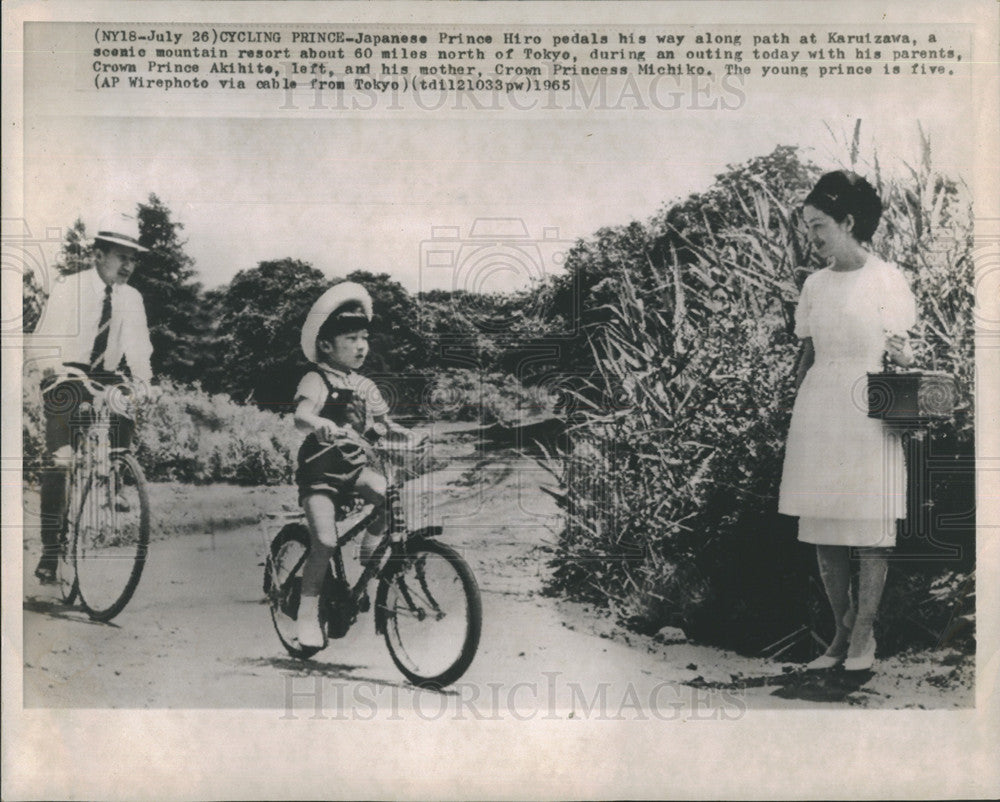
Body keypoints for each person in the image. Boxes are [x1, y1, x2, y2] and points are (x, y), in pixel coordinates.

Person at [778, 170, 917, 672]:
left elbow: (903, 354)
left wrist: (902, 355)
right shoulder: (814, 285)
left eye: (819, 226)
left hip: (870, 408)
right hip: (820, 407)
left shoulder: (887, 279)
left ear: (849, 222)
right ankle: (839, 635)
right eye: (807, 227)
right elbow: (807, 353)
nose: (811, 237)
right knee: (823, 523)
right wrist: (795, 409)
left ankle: (864, 636)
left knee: (870, 526)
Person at [293, 281, 420, 648]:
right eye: (350, 338)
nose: (361, 345)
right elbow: (301, 416)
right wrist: (320, 423)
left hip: (354, 470)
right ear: (326, 345)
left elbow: (384, 425)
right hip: (320, 475)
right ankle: (306, 615)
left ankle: (369, 548)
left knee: (388, 496)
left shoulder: (365, 386)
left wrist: (408, 438)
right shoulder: (316, 378)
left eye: (364, 337)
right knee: (325, 540)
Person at [32, 211, 153, 584]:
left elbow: (137, 347)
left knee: (125, 398)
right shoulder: (71, 287)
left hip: (105, 373)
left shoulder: (131, 298)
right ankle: (51, 551)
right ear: (98, 255)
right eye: (121, 256)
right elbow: (45, 337)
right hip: (68, 373)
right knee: (61, 461)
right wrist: (51, 366)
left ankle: (116, 471)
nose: (128, 265)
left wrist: (145, 382)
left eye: (133, 258)